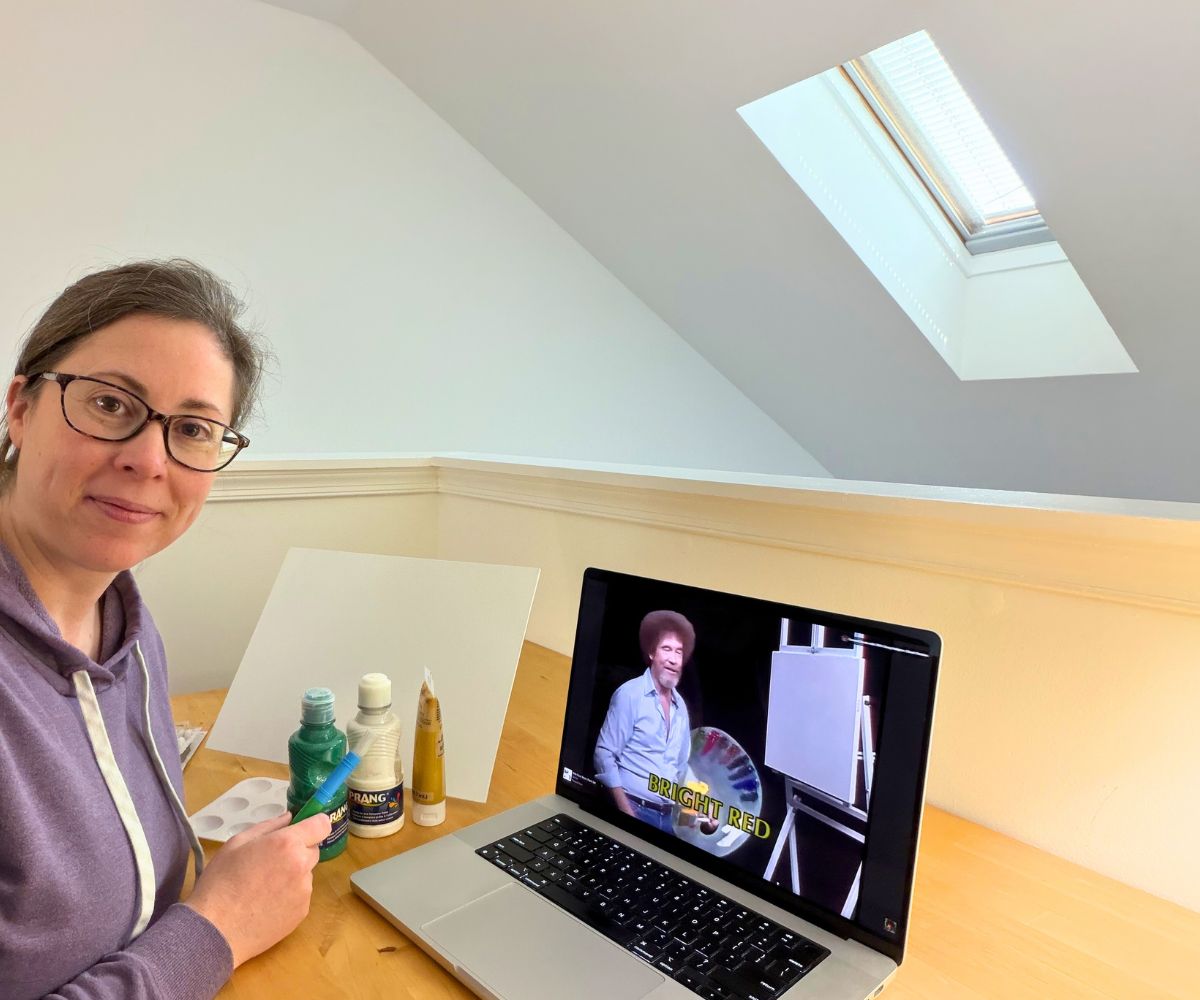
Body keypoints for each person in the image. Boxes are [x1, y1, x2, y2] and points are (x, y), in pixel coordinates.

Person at [0, 260, 332, 1000]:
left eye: (192, 429)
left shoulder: (126, 623)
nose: (148, 460)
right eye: (112, 404)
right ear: (21, 407)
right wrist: (217, 928)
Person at [593, 609, 711, 835]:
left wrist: (704, 812)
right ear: (651, 653)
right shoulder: (630, 694)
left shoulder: (681, 708)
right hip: (632, 806)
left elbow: (680, 769)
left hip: (666, 819)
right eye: (666, 649)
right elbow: (604, 754)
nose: (673, 659)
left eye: (679, 651)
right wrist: (626, 812)